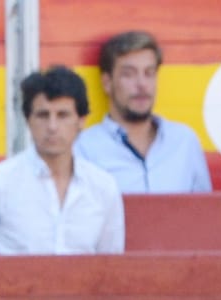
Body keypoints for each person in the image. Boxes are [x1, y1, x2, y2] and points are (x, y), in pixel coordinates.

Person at [0, 66, 124, 255]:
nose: (52, 127)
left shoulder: (103, 187)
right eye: (43, 115)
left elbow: (110, 269)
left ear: (81, 121)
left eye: (63, 115)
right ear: (28, 120)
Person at [74, 30, 212, 194]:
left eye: (149, 73)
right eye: (129, 74)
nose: (142, 84)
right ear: (107, 83)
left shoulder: (184, 141)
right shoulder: (85, 147)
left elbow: (205, 213)